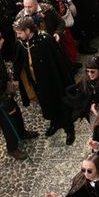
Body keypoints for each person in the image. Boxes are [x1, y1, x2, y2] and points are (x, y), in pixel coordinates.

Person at [0, 25, 38, 160]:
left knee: (16, 113)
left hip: (1, 92)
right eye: (0, 39)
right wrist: (7, 105)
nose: (3, 40)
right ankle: (12, 148)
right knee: (9, 122)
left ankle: (22, 133)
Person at [13, 17, 75, 145]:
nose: (18, 36)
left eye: (19, 33)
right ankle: (54, 122)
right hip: (37, 82)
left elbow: (59, 59)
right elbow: (18, 62)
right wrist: (16, 79)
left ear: (28, 30)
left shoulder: (45, 39)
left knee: (61, 103)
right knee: (46, 103)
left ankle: (69, 129)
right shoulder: (21, 43)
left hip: (53, 79)